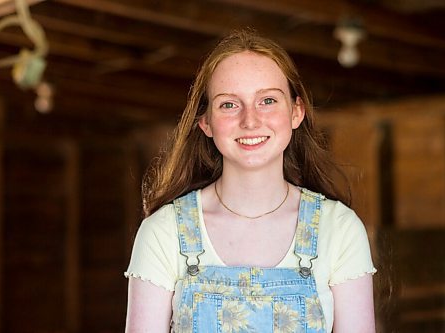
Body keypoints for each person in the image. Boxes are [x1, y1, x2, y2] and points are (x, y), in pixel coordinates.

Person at [124, 29, 377, 333]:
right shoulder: (164, 233)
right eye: (229, 104)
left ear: (296, 112)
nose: (250, 120)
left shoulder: (339, 230)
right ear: (206, 122)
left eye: (267, 100)